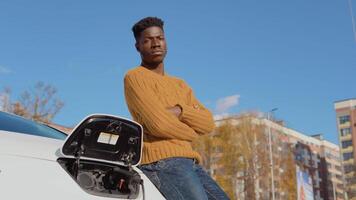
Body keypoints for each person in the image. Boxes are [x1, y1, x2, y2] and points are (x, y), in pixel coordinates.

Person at [124, 17, 229, 200]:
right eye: (148, 40)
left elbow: (208, 123)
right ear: (138, 46)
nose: (156, 44)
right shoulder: (135, 77)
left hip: (191, 162)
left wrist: (180, 111)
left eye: (160, 38)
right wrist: (191, 132)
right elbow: (158, 125)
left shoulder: (180, 85)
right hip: (161, 162)